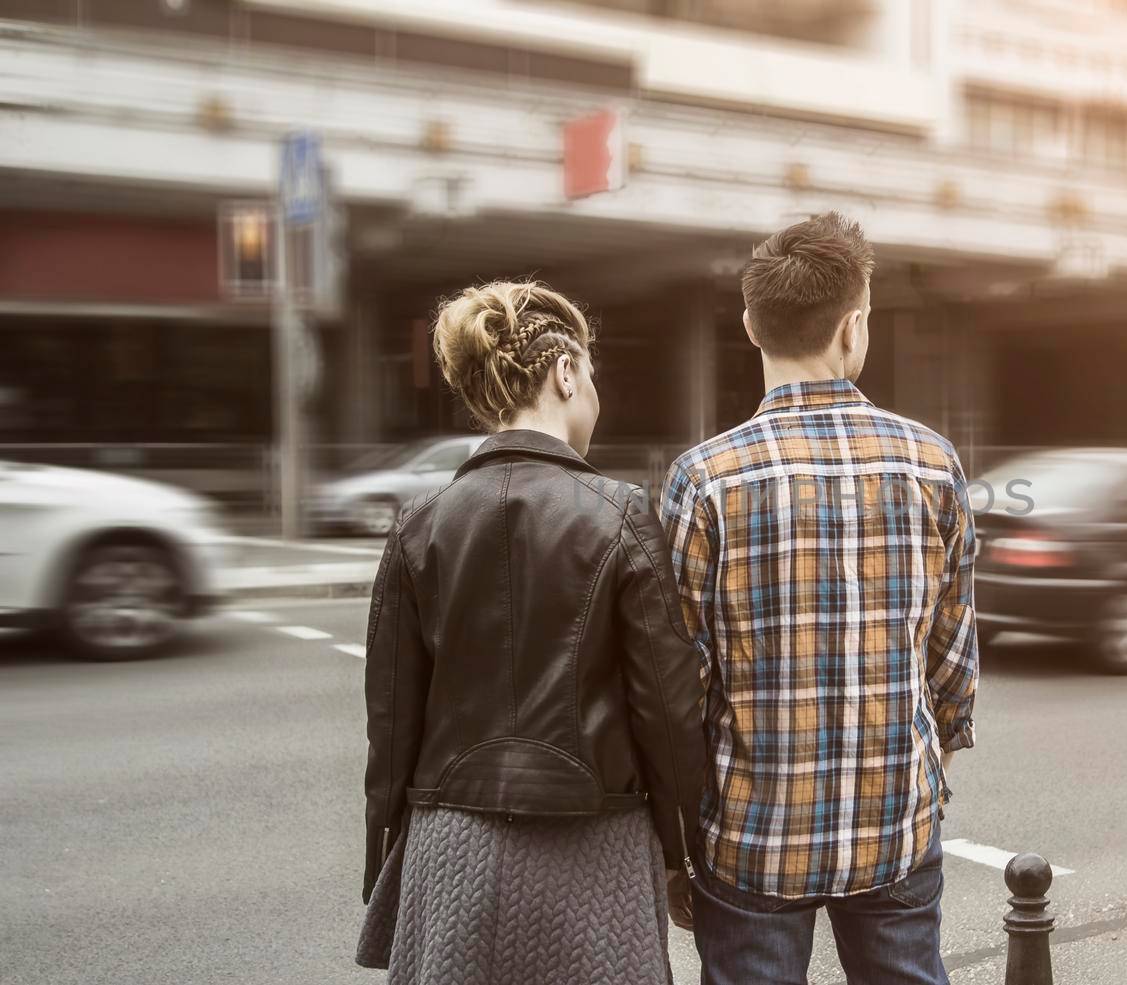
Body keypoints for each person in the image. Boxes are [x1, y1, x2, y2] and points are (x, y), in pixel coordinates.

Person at [659, 213, 980, 984]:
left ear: (749, 325)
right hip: (893, 818)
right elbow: (952, 656)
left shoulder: (705, 478)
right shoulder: (932, 464)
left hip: (750, 830)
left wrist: (679, 837)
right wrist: (935, 754)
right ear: (854, 326)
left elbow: (681, 682)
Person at [356, 281, 706, 985]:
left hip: (449, 843)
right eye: (594, 376)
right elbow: (668, 713)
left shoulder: (419, 522)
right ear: (565, 371)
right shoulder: (621, 514)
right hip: (595, 842)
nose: (596, 395)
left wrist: (383, 852)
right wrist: (683, 850)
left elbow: (390, 720)